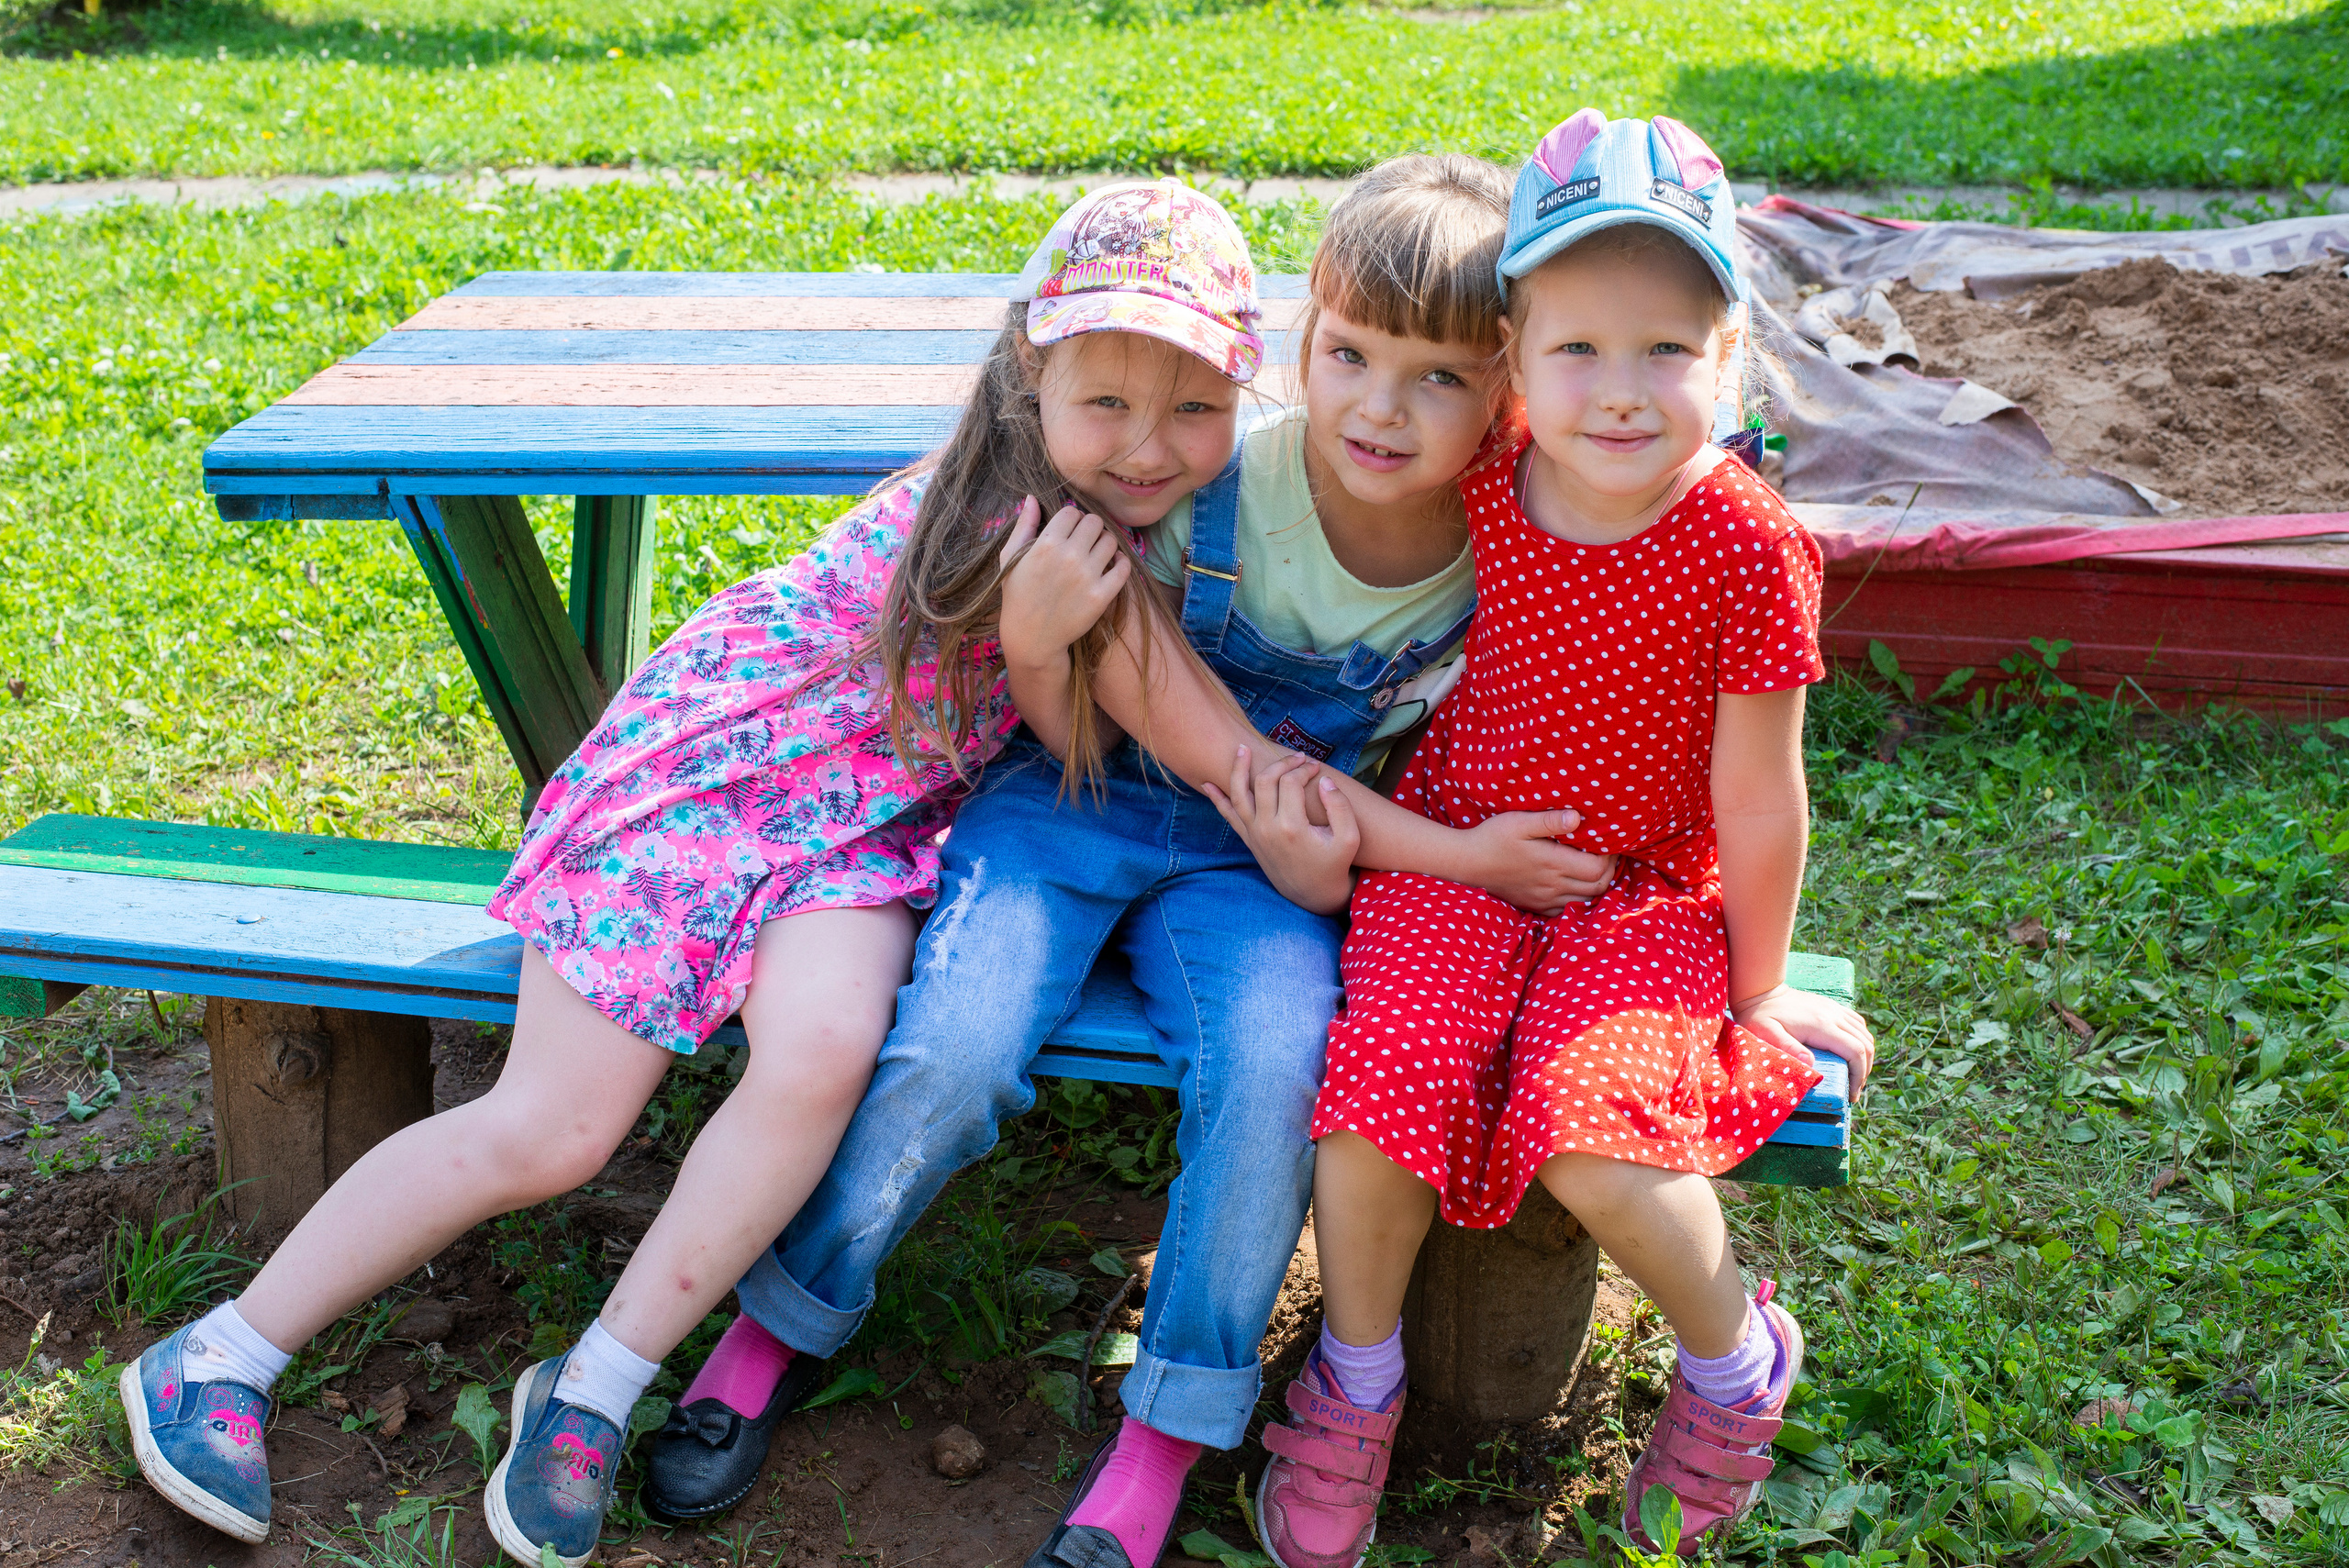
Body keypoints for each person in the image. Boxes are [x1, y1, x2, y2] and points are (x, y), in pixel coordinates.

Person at [117, 180, 1270, 1566]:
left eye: (1194, 407)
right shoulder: (1021, 514)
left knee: (828, 1046)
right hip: (713, 783)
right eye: (1111, 405)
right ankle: (221, 1352)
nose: (1149, 448)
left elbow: (1069, 721)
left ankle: (597, 1385)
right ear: (1034, 371)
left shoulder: (1117, 527)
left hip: (857, 830)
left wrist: (1034, 655)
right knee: (555, 1130)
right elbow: (1151, 733)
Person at [644, 157, 1621, 1568]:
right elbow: (1081, 710)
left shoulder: (1496, 552)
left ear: (1507, 390)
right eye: (1349, 357)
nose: (1383, 410)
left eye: (1441, 380)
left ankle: (1167, 1427)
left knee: (1280, 1064)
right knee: (957, 1039)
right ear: (1303, 349)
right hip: (1070, 800)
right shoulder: (1217, 465)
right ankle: (777, 1319)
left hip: (1262, 871)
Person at [1247, 112, 1880, 1568]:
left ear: (1729, 360)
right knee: (1375, 1099)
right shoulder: (1489, 474)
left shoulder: (1745, 542)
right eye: (1578, 347)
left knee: (1599, 1141)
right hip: (1457, 854)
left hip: (1643, 894)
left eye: (1667, 349)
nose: (1620, 389)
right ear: (1518, 359)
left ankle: (1733, 1361)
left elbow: (1761, 795)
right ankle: (1355, 1380)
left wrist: (1759, 981)